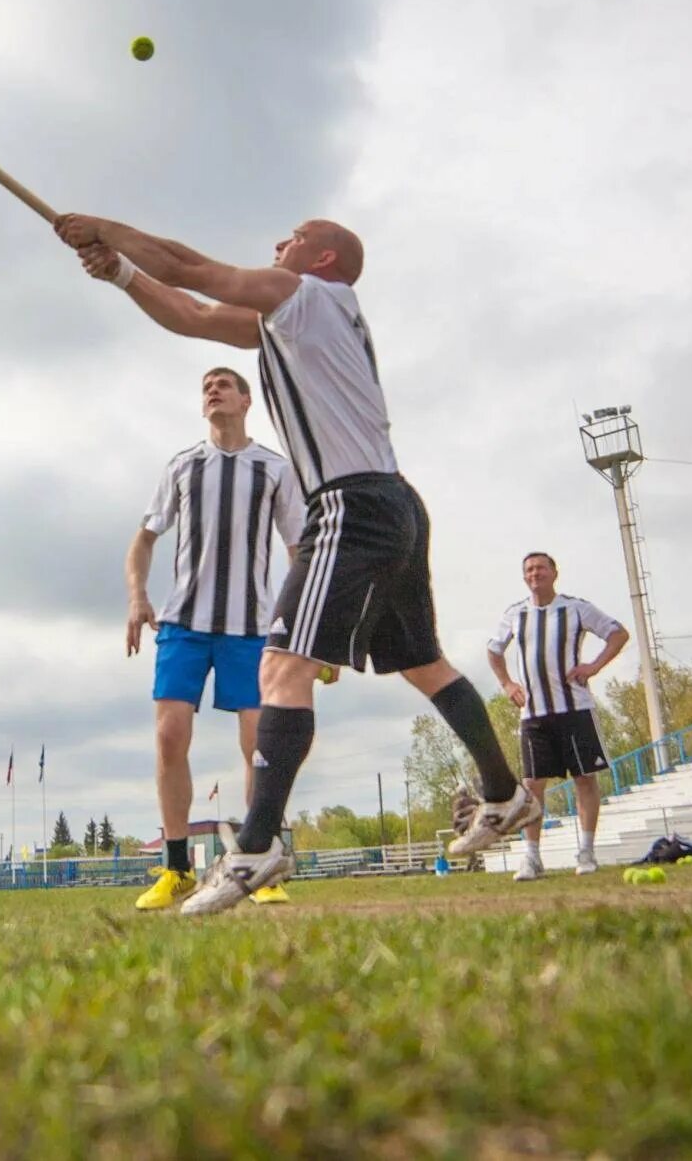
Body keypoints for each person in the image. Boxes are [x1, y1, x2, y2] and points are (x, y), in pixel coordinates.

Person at [54, 214, 538, 916]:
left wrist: (104, 228)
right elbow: (188, 313)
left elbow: (190, 267)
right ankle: (504, 793)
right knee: (422, 661)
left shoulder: (306, 294)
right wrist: (121, 273)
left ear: (325, 256)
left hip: (350, 504)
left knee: (281, 667)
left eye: (292, 237)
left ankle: (256, 845)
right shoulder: (290, 326)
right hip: (395, 500)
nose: (277, 242)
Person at [127, 367, 304, 910]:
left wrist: (301, 625)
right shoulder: (184, 465)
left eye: (224, 384)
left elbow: (300, 551)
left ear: (246, 400)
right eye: (205, 385)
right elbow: (144, 537)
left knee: (259, 745)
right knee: (169, 735)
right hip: (183, 623)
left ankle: (257, 860)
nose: (213, 390)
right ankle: (177, 868)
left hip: (250, 628)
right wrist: (138, 596)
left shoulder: (274, 469)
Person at [487, 552, 630, 880]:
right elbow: (493, 650)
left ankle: (587, 851)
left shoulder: (575, 608)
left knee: (585, 779)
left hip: (574, 708)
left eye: (540, 568)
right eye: (528, 570)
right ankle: (532, 857)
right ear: (524, 577)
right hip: (533, 714)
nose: (534, 573)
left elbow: (617, 633)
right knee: (532, 784)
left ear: (554, 573)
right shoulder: (515, 613)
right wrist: (507, 683)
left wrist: (593, 666)